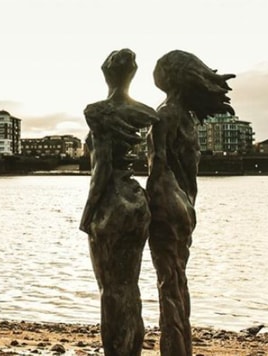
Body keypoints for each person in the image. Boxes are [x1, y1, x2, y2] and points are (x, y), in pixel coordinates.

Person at [146, 50, 235, 356]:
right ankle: (183, 348)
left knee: (168, 284)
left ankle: (174, 350)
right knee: (178, 280)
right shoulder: (187, 119)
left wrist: (149, 208)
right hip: (185, 203)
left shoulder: (164, 115)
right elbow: (189, 173)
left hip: (165, 203)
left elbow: (157, 165)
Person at [80, 48, 158, 355]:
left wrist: (87, 214)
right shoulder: (147, 113)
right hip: (137, 201)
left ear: (105, 72)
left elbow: (101, 168)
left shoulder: (96, 112)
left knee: (110, 291)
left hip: (110, 203)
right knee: (130, 286)